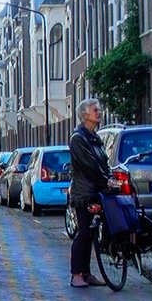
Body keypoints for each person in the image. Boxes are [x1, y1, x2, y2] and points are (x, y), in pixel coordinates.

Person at [68, 98, 113, 288]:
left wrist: (109, 177)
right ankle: (76, 274)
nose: (99, 112)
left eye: (99, 109)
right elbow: (89, 165)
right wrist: (106, 180)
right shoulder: (78, 138)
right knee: (84, 232)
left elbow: (102, 163)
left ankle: (86, 273)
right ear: (85, 114)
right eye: (95, 110)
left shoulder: (95, 137)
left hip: (97, 191)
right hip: (84, 193)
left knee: (91, 234)